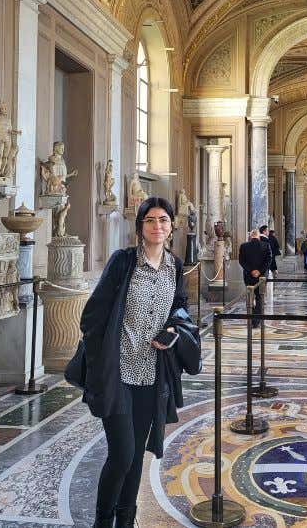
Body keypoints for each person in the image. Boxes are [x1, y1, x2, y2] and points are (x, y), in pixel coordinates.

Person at [80, 196, 198, 527]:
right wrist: (98, 362)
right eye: (150, 220)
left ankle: (125, 520)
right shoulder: (123, 262)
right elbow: (92, 316)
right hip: (118, 372)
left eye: (163, 220)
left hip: (152, 374)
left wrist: (173, 329)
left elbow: (180, 309)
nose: (157, 226)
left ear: (171, 226)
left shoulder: (175, 267)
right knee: (121, 454)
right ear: (140, 226)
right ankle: (102, 522)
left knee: (134, 459)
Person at [239, 229, 272, 314]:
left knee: (250, 296)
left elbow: (241, 261)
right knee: (259, 296)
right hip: (261, 276)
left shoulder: (244, 246)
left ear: (250, 236)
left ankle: (251, 315)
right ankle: (257, 318)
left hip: (248, 275)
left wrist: (251, 271)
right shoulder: (266, 245)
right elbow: (269, 260)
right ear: (259, 237)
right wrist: (259, 271)